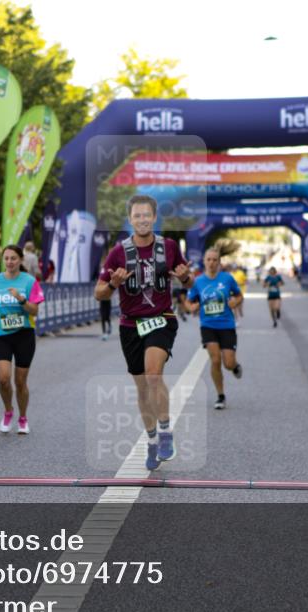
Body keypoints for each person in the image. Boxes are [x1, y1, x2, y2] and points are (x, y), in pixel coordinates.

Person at [95, 194, 193, 471]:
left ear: (154, 217)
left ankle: (165, 433)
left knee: (153, 374)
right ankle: (151, 441)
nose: (142, 220)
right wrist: (113, 284)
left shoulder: (169, 246)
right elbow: (98, 293)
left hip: (161, 319)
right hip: (130, 325)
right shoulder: (118, 252)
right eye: (137, 216)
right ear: (130, 219)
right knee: (141, 387)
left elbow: (187, 277)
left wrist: (185, 277)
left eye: (146, 215)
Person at [0, 244, 44, 435]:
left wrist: (21, 299)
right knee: (3, 380)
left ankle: (23, 418)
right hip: (2, 335)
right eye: (6, 258)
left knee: (20, 382)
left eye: (13, 258)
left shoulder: (29, 281)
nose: (9, 262)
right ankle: (8, 411)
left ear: (21, 260)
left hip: (24, 335)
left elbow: (35, 310)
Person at [186, 247, 243, 410]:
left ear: (219, 262)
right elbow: (189, 301)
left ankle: (235, 366)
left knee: (228, 363)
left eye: (214, 260)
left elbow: (239, 295)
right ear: (204, 261)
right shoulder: (197, 281)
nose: (211, 263)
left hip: (227, 325)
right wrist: (192, 307)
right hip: (208, 326)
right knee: (215, 359)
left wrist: (235, 302)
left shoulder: (227, 278)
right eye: (208, 259)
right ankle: (220, 395)